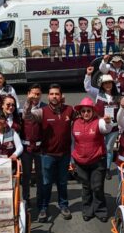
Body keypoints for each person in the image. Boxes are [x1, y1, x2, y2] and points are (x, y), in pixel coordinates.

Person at [24, 84, 74, 222]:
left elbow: (85, 117)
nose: (54, 96)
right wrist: (28, 101)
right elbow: (27, 116)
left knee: (62, 182)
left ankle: (63, 205)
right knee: (46, 183)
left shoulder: (70, 110)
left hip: (64, 154)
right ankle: (44, 208)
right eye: (51, 94)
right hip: (47, 155)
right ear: (48, 96)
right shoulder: (42, 111)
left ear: (61, 96)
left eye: (57, 94)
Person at [72, 97, 112, 222]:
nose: (86, 114)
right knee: (86, 186)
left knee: (97, 186)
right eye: (83, 111)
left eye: (88, 111)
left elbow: (107, 129)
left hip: (97, 160)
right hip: (80, 161)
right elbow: (72, 142)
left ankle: (100, 210)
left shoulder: (99, 122)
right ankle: (87, 210)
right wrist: (71, 160)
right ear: (80, 112)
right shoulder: (75, 123)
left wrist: (108, 122)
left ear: (93, 111)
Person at [84, 67, 121, 180]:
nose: (108, 85)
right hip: (100, 126)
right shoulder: (97, 94)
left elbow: (121, 112)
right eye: (105, 83)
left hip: (113, 128)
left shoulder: (118, 97)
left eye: (109, 83)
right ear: (102, 85)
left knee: (109, 148)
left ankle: (107, 169)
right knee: (99, 148)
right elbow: (88, 87)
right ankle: (98, 167)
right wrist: (88, 75)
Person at [21, 84, 47, 209]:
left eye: (38, 94)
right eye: (33, 94)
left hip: (40, 148)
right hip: (26, 148)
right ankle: (26, 199)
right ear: (28, 94)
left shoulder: (45, 108)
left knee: (40, 175)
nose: (35, 96)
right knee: (26, 175)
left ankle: (40, 199)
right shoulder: (23, 107)